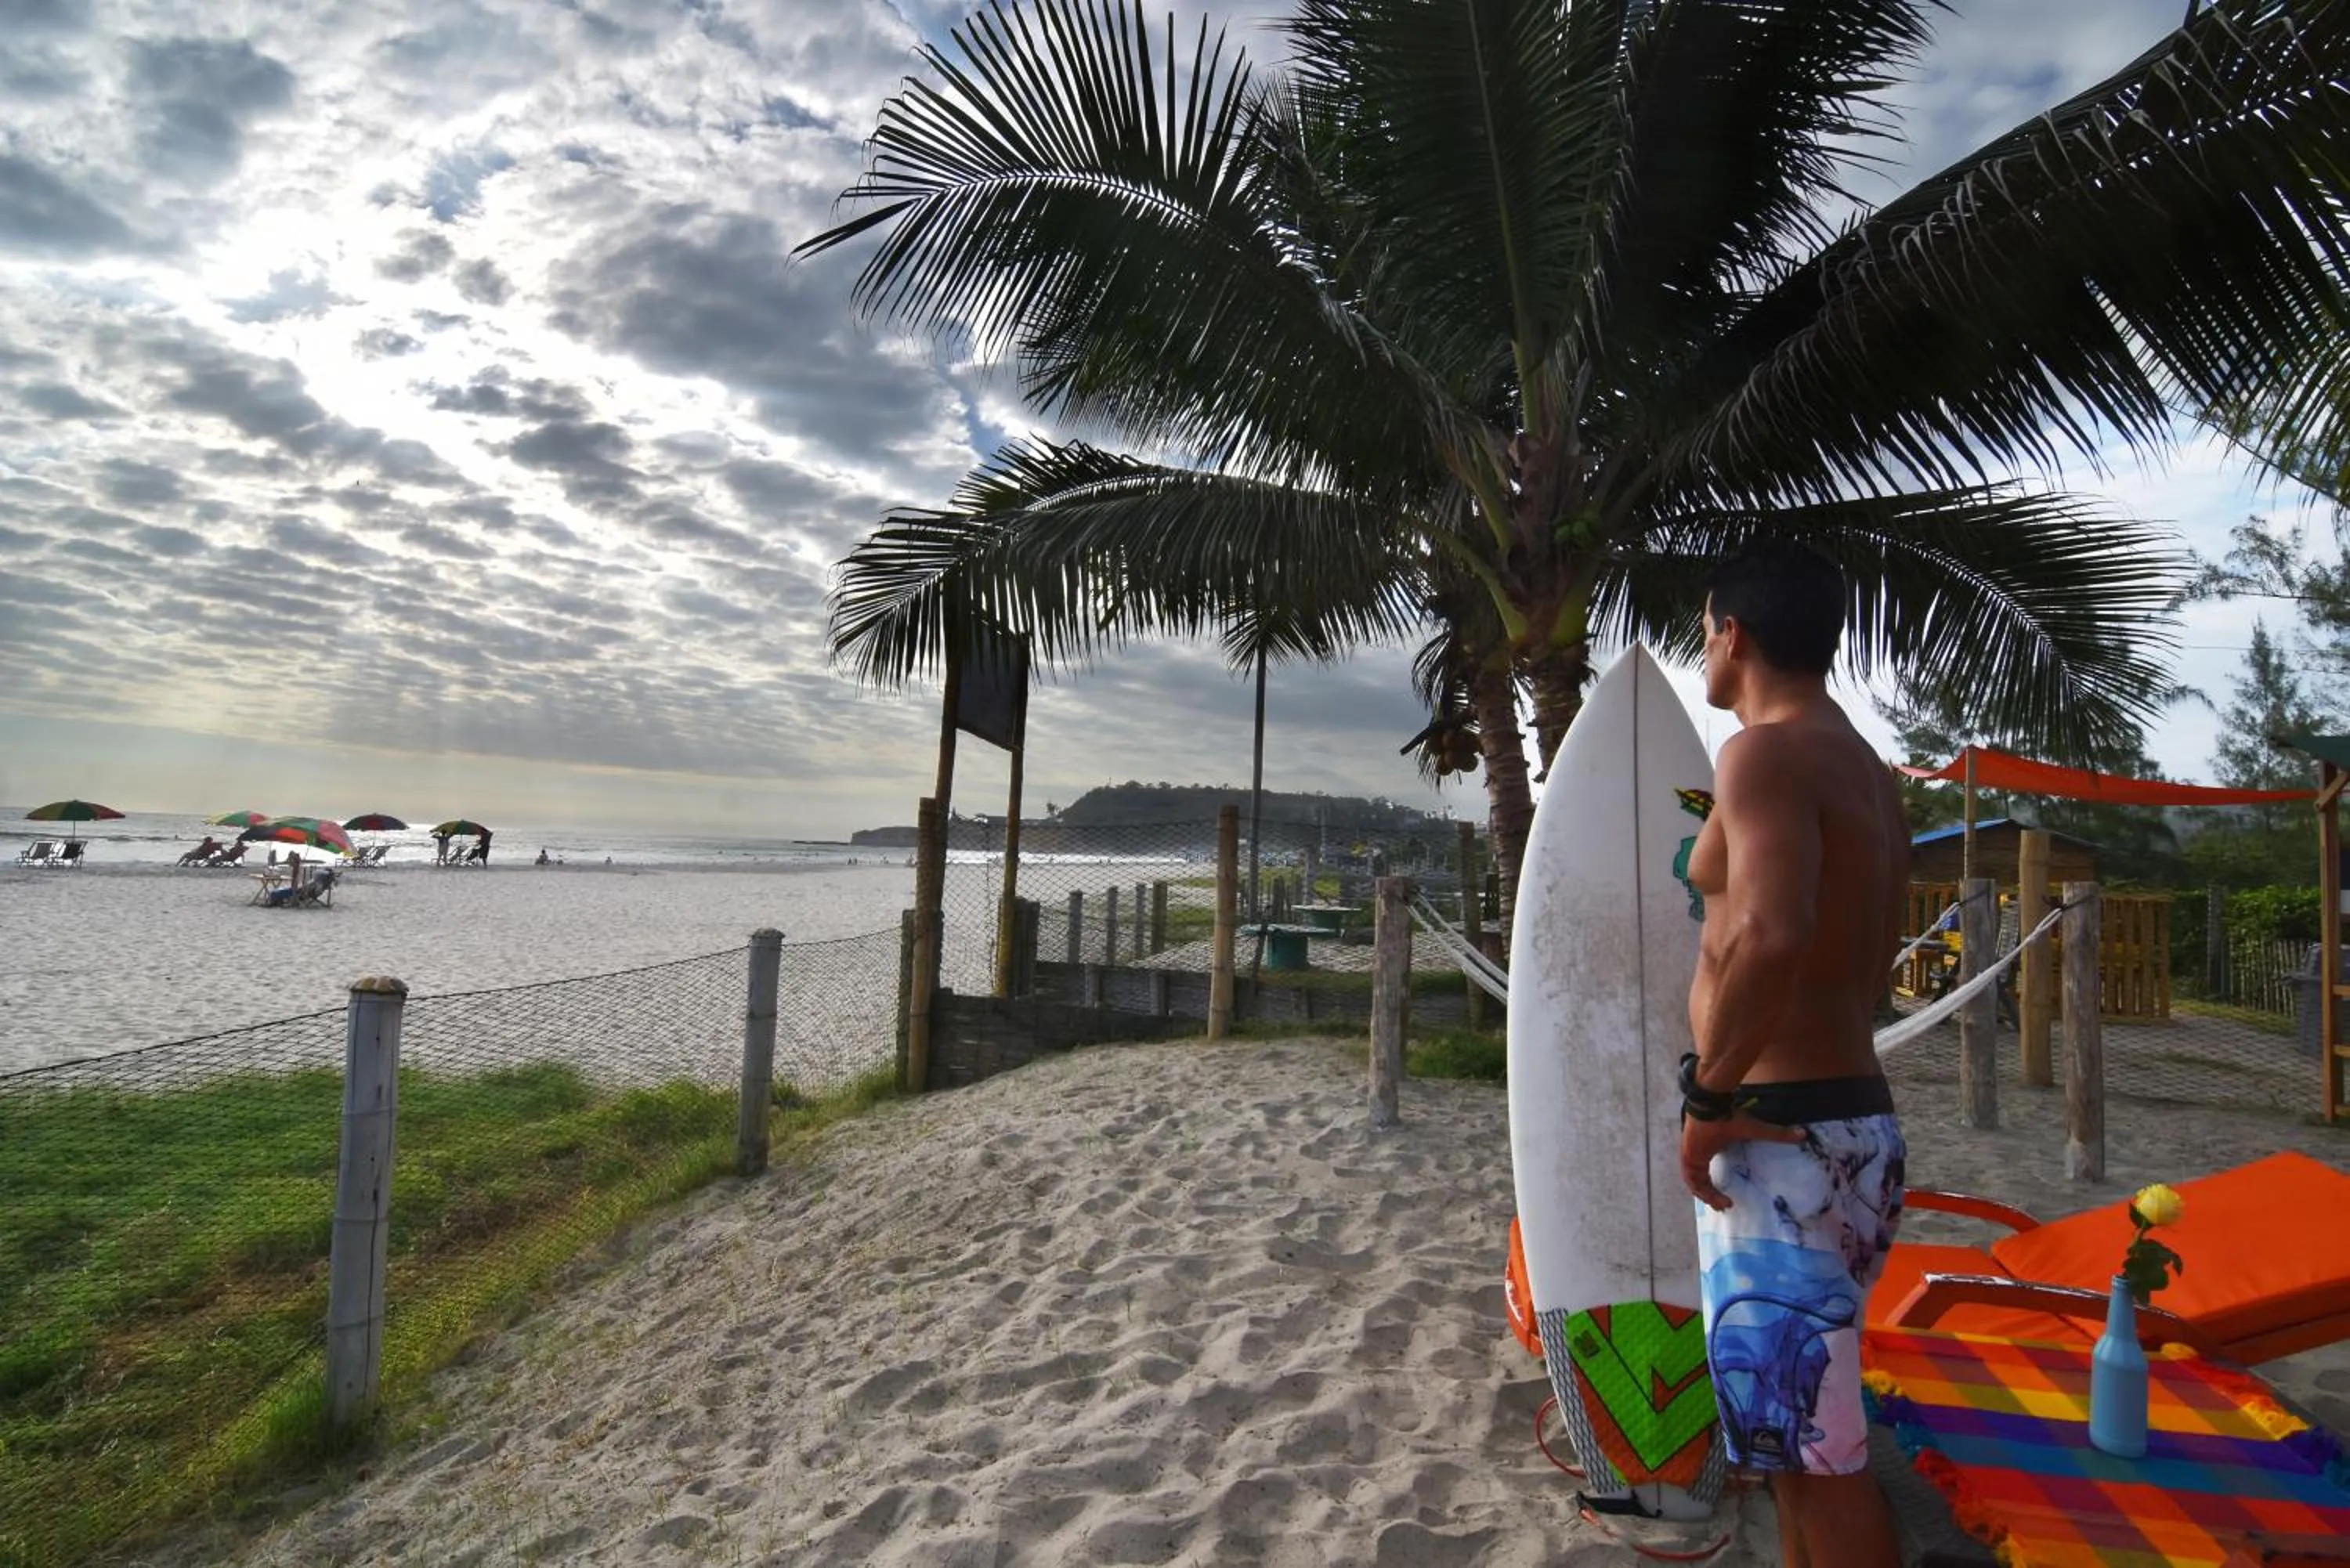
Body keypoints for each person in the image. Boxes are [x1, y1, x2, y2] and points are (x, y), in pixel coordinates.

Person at [1678, 541, 1909, 1568]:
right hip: (1853, 1118)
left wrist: (1707, 1094)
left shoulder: (1760, 753)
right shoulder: (1862, 765)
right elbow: (1864, 968)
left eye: (1704, 630)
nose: (1702, 650)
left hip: (1782, 1137)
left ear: (1733, 632)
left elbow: (1770, 931)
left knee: (1820, 1455)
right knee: (1790, 1441)